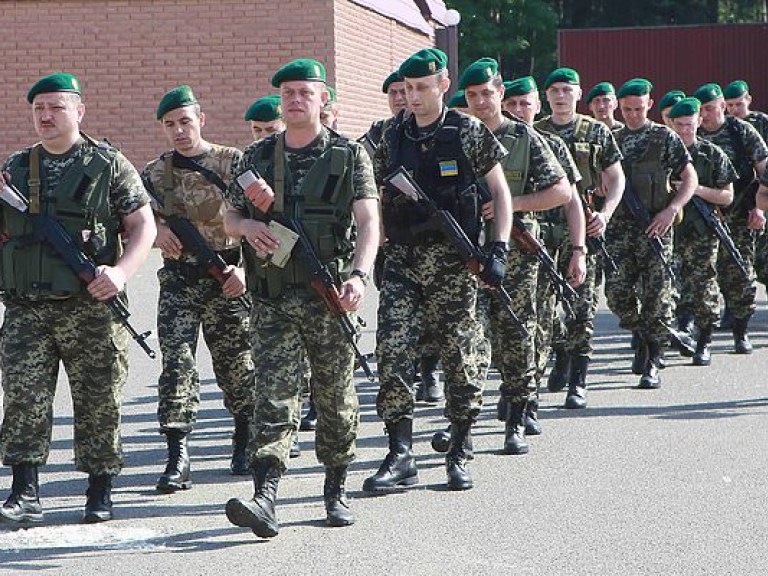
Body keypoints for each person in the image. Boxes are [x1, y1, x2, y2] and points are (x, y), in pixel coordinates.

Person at [223, 58, 379, 537]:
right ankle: (265, 495)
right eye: (287, 93)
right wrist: (245, 226)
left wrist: (359, 275)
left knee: (334, 395)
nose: (294, 100)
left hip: (327, 294)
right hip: (271, 298)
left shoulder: (349, 155)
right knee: (272, 394)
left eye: (304, 93)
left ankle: (335, 488)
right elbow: (228, 217)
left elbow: (370, 221)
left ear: (322, 100)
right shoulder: (256, 157)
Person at [0, 72, 156, 524]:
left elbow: (143, 224)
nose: (46, 117)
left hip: (91, 307)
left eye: (56, 107)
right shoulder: (17, 167)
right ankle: (24, 492)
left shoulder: (108, 164)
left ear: (79, 111)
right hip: (27, 309)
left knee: (98, 400)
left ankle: (99, 489)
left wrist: (121, 272)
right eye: (38, 109)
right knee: (23, 398)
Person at [363, 48, 512, 492]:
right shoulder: (388, 136)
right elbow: (365, 194)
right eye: (407, 89)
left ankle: (460, 447)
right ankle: (400, 451)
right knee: (392, 352)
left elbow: (499, 192)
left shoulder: (467, 131)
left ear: (443, 85)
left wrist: (498, 247)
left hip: (454, 264)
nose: (413, 97)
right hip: (403, 263)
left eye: (422, 88)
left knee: (461, 356)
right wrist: (378, 246)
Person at [141, 85, 254, 490]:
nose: (179, 131)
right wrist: (159, 231)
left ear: (201, 120)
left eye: (185, 121)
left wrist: (246, 272)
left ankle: (245, 434)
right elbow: (132, 221)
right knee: (177, 366)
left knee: (237, 366)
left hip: (229, 276)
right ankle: (178, 455)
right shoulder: (155, 173)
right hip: (179, 282)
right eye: (170, 125)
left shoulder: (233, 162)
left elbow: (261, 220)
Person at [460, 63, 571, 450]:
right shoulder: (457, 136)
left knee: (516, 332)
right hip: (466, 252)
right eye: (472, 96)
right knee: (469, 337)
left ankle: (518, 414)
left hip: (517, 254)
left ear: (500, 93)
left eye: (486, 94)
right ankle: (465, 422)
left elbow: (562, 192)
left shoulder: (523, 137)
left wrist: (514, 203)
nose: (480, 102)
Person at [536, 67, 625, 407]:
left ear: (577, 93)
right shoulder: (536, 132)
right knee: (542, 307)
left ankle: (578, 381)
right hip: (542, 231)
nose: (560, 96)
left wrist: (606, 213)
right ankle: (560, 349)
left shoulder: (596, 132)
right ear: (546, 96)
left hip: (584, 230)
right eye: (554, 90)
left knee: (581, 308)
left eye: (567, 89)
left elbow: (616, 178)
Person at [503, 75, 588, 417]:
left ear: (537, 106)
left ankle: (528, 397)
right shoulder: (493, 142)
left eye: (525, 103)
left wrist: (579, 251)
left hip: (546, 249)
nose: (519, 110)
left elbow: (572, 203)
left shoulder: (553, 145)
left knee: (537, 323)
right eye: (512, 103)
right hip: (498, 248)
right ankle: (514, 387)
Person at [607, 78, 697, 389]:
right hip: (619, 230)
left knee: (657, 297)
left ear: (649, 104)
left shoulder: (664, 137)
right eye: (627, 109)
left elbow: (690, 178)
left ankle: (652, 360)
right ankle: (644, 334)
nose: (633, 114)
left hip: (656, 228)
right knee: (617, 294)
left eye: (639, 108)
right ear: (620, 107)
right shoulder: (612, 138)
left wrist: (672, 210)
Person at [364, 70, 444, 404]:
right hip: (393, 239)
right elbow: (365, 183)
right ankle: (408, 371)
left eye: (406, 90)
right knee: (399, 314)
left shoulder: (440, 129)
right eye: (395, 93)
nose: (401, 98)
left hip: (435, 239)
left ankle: (430, 370)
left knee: (433, 313)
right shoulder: (379, 135)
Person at [694, 82, 767, 353]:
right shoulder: (694, 135)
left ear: (722, 106)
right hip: (703, 216)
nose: (705, 115)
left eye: (710, 109)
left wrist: (760, 208)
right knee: (703, 276)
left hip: (740, 214)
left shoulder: (740, 131)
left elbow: (764, 169)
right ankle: (704, 336)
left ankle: (740, 330)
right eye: (700, 110)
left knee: (739, 273)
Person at [667, 97, 737, 365]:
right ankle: (677, 332)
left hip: (702, 232)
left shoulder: (711, 154)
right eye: (680, 125)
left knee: (703, 285)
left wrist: (693, 188)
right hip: (670, 229)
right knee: (669, 286)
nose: (685, 130)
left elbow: (727, 196)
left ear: (699, 121)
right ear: (672, 124)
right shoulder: (664, 153)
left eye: (690, 124)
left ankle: (704, 339)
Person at [723, 80, 768, 291]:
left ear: (748, 100)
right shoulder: (728, 128)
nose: (734, 110)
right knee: (736, 257)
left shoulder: (761, 123)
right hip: (738, 200)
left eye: (738, 104)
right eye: (729, 105)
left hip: (762, 194)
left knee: (764, 257)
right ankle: (734, 311)